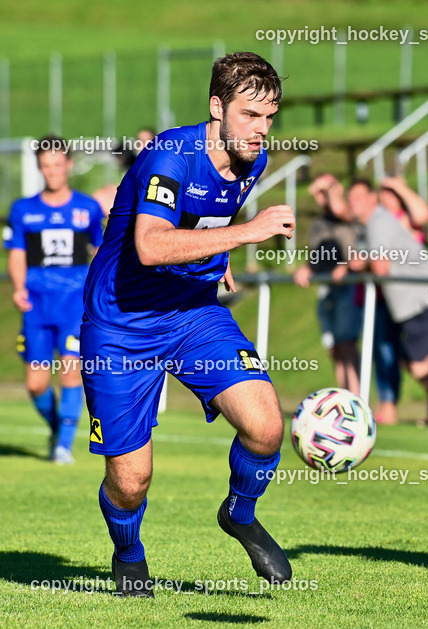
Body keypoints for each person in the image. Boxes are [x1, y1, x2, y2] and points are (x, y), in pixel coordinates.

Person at [82, 52, 295, 597]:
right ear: (216, 107)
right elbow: (150, 245)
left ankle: (239, 513)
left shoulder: (252, 159)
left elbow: (203, 218)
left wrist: (215, 257)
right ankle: (129, 553)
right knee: (131, 483)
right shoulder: (171, 156)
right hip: (122, 326)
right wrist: (247, 233)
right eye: (250, 115)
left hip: (194, 314)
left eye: (269, 117)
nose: (261, 129)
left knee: (267, 426)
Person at [4, 136, 105, 464]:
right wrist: (18, 287)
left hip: (74, 304)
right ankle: (58, 428)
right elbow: (17, 253)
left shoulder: (87, 208)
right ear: (39, 168)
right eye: (46, 165)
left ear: (68, 165)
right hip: (36, 306)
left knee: (71, 372)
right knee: (36, 383)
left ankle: (63, 446)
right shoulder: (23, 210)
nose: (52, 171)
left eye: (57, 164)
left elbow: (100, 250)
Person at [346, 179, 428, 428]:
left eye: (358, 198)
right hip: (426, 296)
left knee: (417, 363)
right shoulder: (372, 223)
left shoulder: (377, 221)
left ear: (371, 199)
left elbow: (381, 267)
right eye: (350, 199)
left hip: (424, 298)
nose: (352, 204)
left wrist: (360, 263)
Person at [293, 173, 363, 392]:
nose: (320, 196)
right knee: (334, 347)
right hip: (328, 288)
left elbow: (339, 209)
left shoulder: (348, 212)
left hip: (349, 286)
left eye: (325, 191)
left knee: (347, 343)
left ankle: (357, 397)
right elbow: (319, 254)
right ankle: (345, 395)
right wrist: (308, 267)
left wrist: (331, 187)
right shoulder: (320, 222)